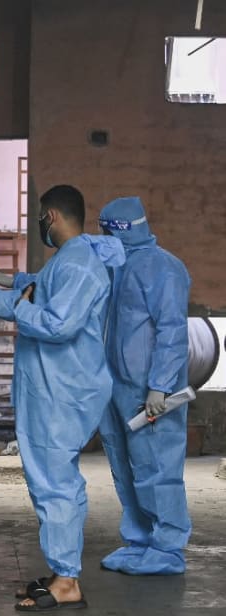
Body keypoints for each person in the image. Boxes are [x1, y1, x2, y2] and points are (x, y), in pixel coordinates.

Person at [0, 185, 125, 611]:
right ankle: (63, 571)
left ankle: (68, 581)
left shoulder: (79, 267)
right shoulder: (71, 261)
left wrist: (14, 303)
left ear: (52, 216)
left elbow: (56, 323)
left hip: (63, 392)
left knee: (54, 485)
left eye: (40, 217)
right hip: (56, 389)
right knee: (59, 484)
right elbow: (29, 296)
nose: (40, 224)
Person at [96, 196, 192, 575]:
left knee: (158, 467)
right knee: (126, 464)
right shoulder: (116, 265)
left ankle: (168, 547)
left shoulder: (163, 268)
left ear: (119, 229)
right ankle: (139, 540)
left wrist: (160, 386)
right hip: (117, 386)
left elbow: (173, 330)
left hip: (150, 391)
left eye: (106, 230)